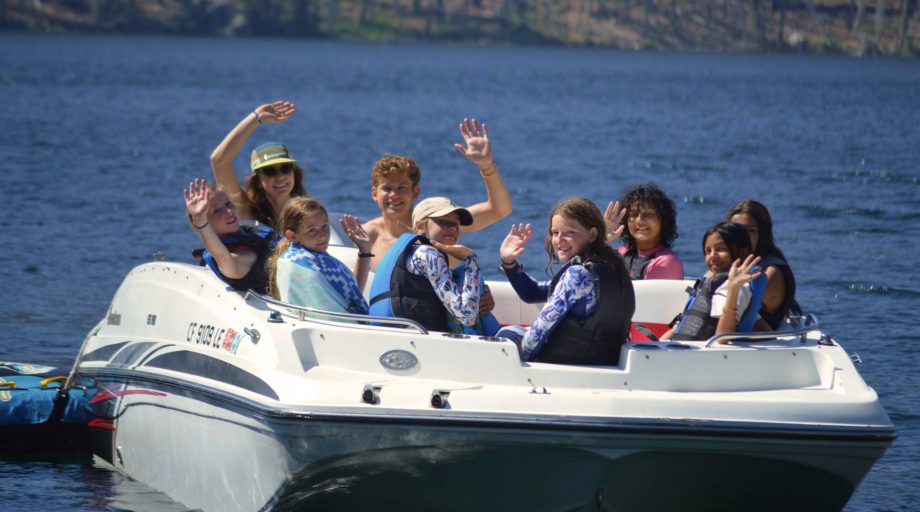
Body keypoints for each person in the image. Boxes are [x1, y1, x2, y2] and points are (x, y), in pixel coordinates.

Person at [361, 118, 512, 272]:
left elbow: (500, 209)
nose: (394, 195)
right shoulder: (367, 236)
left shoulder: (438, 224)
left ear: (416, 192)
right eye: (387, 188)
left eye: (402, 188)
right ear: (374, 193)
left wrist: (487, 167)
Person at [496, 198, 635, 365]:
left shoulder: (577, 275)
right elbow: (533, 292)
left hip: (565, 369)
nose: (559, 239)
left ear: (592, 234)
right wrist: (509, 263)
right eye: (555, 233)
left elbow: (533, 340)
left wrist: (523, 365)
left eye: (569, 232)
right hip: (607, 364)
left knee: (507, 334)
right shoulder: (616, 270)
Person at [368, 198, 484, 333]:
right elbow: (467, 316)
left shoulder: (409, 253)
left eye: (456, 224)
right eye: (443, 221)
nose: (452, 228)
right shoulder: (429, 254)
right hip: (416, 340)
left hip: (391, 334)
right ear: (420, 227)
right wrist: (471, 260)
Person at [661, 222, 768, 342]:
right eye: (708, 251)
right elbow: (753, 319)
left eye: (721, 249)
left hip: (697, 355)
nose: (712, 256)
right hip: (680, 348)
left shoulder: (737, 287)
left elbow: (722, 337)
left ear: (743, 253)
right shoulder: (719, 282)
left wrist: (733, 289)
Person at [210, 101, 306, 228]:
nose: (280, 177)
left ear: (294, 173)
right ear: (258, 181)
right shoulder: (244, 208)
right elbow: (218, 161)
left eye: (285, 168)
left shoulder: (305, 212)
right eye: (269, 171)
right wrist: (256, 117)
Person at [266, 198, 372, 314]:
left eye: (324, 227)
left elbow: (352, 293)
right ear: (292, 235)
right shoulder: (306, 268)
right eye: (312, 230)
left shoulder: (314, 258)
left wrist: (364, 250)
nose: (322, 236)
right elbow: (336, 316)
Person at [184, 178, 276, 294]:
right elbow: (222, 256)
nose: (229, 211)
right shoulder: (236, 259)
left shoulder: (251, 230)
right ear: (205, 223)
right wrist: (200, 221)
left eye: (228, 204)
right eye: (217, 211)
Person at [726, 199, 802, 329]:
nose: (742, 236)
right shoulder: (732, 262)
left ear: (763, 234)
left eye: (750, 230)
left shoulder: (771, 273)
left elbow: (737, 312)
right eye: (736, 230)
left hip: (757, 343)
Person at [604, 183, 683, 280]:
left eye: (648, 215)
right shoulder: (622, 253)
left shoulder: (668, 262)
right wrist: (602, 239)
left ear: (663, 221)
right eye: (633, 214)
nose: (639, 221)